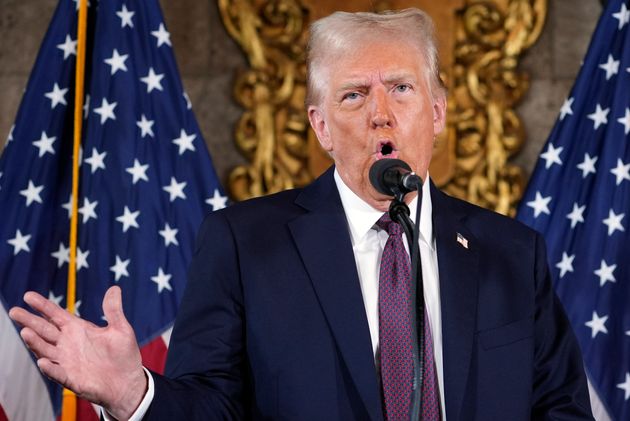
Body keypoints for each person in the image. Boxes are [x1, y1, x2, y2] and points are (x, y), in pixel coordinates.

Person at [9, 8, 594, 420]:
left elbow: (561, 408)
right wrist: (133, 393)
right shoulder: (244, 243)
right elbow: (211, 407)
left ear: (437, 112)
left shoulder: (512, 253)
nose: (381, 115)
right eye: (354, 95)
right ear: (320, 127)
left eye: (402, 88)